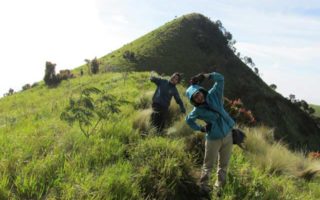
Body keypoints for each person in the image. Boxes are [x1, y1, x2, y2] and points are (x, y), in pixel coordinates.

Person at [185, 72, 235, 196]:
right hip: (213, 139)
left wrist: (206, 76)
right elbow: (189, 120)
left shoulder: (214, 95)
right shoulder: (197, 111)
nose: (199, 97)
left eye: (199, 94)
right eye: (195, 97)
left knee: (223, 165)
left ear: (202, 91)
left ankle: (219, 188)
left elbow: (221, 79)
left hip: (228, 135)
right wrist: (200, 128)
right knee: (208, 165)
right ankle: (203, 187)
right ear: (193, 100)